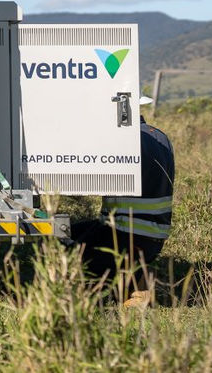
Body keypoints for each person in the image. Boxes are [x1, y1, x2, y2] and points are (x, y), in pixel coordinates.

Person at [71, 95, 174, 290]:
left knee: (66, 251)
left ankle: (133, 283)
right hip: (153, 239)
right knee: (70, 232)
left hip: (126, 236)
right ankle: (136, 273)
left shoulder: (126, 141)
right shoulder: (160, 136)